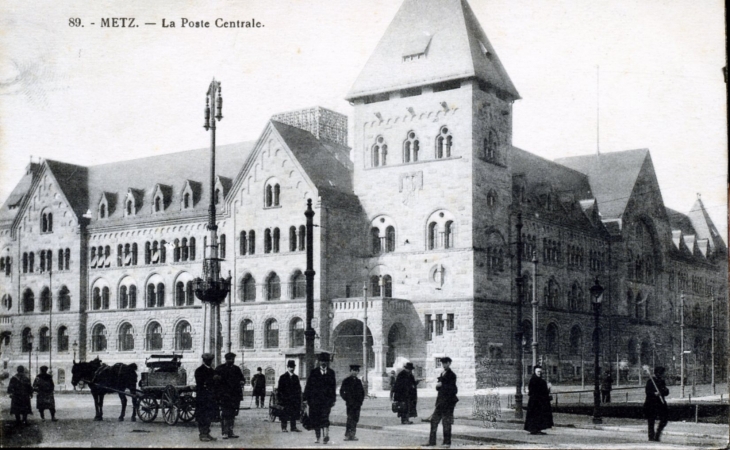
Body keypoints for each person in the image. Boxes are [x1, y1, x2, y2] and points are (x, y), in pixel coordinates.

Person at [303, 352, 337, 444]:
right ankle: (318, 437)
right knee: (316, 419)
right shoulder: (314, 373)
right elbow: (308, 386)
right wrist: (305, 398)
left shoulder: (331, 373)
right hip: (315, 401)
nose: (323, 363)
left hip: (326, 401)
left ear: (327, 362)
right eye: (322, 361)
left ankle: (325, 436)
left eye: (325, 361)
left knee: (325, 417)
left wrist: (333, 399)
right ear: (319, 362)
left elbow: (333, 387)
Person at [426, 357, 458, 448]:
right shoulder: (443, 373)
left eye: (445, 363)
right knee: (434, 421)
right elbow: (439, 387)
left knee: (446, 422)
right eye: (442, 363)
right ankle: (432, 442)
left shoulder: (452, 375)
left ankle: (447, 442)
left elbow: (453, 389)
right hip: (440, 402)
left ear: (449, 363)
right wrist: (438, 386)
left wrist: (442, 385)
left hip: (447, 402)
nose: (444, 365)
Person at [215, 352, 244, 439]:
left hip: (235, 396)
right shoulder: (220, 368)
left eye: (233, 359)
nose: (232, 361)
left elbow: (242, 378)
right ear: (226, 359)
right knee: (225, 414)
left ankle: (230, 432)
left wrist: (242, 381)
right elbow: (216, 382)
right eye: (230, 359)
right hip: (224, 396)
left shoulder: (236, 369)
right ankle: (224, 432)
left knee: (233, 414)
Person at [195, 353, 219, 442]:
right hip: (202, 397)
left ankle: (207, 433)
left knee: (209, 416)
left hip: (211, 397)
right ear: (204, 361)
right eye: (208, 361)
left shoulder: (212, 371)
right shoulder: (199, 370)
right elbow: (200, 383)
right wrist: (213, 379)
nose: (209, 362)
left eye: (210, 361)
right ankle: (202, 434)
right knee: (202, 416)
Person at [524, 365, 554, 435]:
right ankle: (534, 430)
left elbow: (545, 391)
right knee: (535, 415)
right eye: (538, 371)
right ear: (535, 371)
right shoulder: (533, 380)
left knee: (539, 415)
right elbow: (532, 391)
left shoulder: (540, 380)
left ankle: (537, 429)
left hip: (539, 402)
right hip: (535, 402)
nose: (539, 373)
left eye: (540, 371)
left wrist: (548, 388)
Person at [339, 364, 365, 441]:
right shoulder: (346, 381)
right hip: (350, 404)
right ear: (350, 371)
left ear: (358, 372)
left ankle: (353, 435)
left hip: (357, 404)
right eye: (353, 370)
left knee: (356, 419)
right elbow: (341, 391)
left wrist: (360, 401)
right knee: (350, 418)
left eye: (356, 371)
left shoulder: (358, 381)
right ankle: (347, 435)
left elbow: (362, 393)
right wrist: (346, 399)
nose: (355, 372)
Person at [644, 366, 669, 442]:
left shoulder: (661, 381)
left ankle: (657, 434)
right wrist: (654, 394)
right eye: (662, 373)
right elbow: (647, 392)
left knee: (664, 419)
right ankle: (651, 437)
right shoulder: (651, 381)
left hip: (660, 403)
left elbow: (666, 391)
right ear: (658, 373)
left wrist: (661, 392)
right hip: (651, 403)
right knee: (651, 420)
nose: (663, 375)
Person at [277, 360, 302, 432]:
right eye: (290, 367)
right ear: (287, 367)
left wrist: (298, 398)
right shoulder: (283, 377)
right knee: (284, 413)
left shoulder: (296, 377)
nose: (292, 368)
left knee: (293, 413)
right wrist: (280, 399)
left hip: (294, 399)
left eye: (293, 367)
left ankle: (293, 427)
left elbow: (298, 389)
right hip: (285, 399)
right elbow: (280, 389)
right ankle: (284, 427)